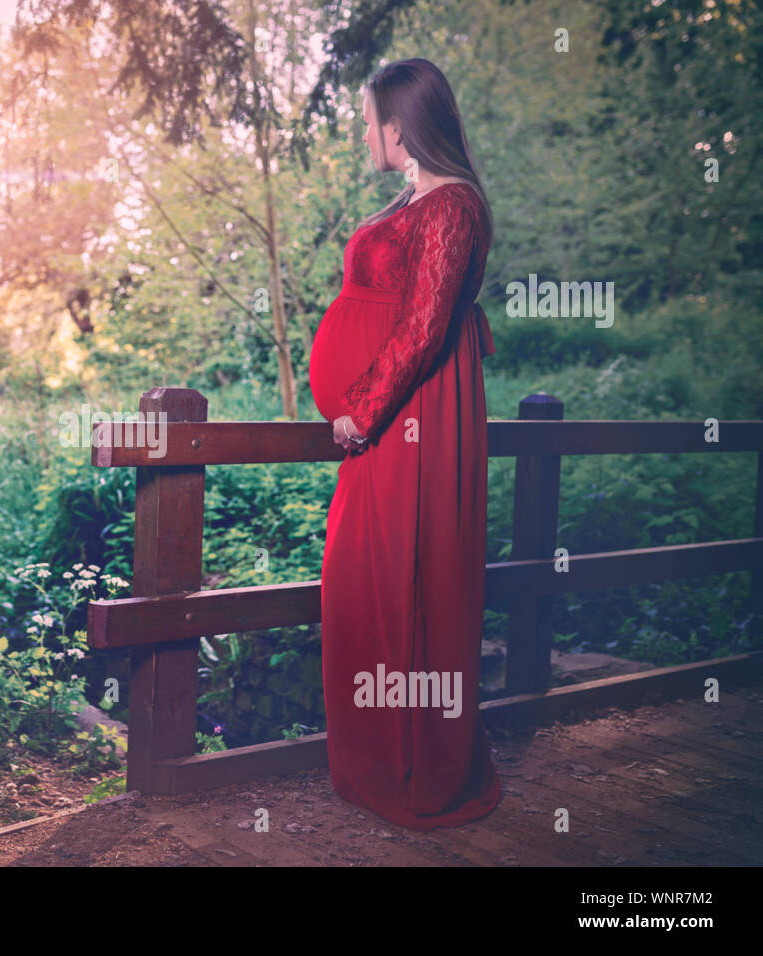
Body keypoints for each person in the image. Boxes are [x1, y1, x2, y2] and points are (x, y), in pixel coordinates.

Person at [307, 57, 502, 829]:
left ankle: (421, 768)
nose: (364, 132)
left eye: (368, 119)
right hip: (394, 417)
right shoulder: (414, 199)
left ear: (400, 124)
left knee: (410, 581)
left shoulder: (451, 205)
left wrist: (362, 405)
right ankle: (378, 759)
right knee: (361, 580)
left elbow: (423, 327)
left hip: (413, 416)